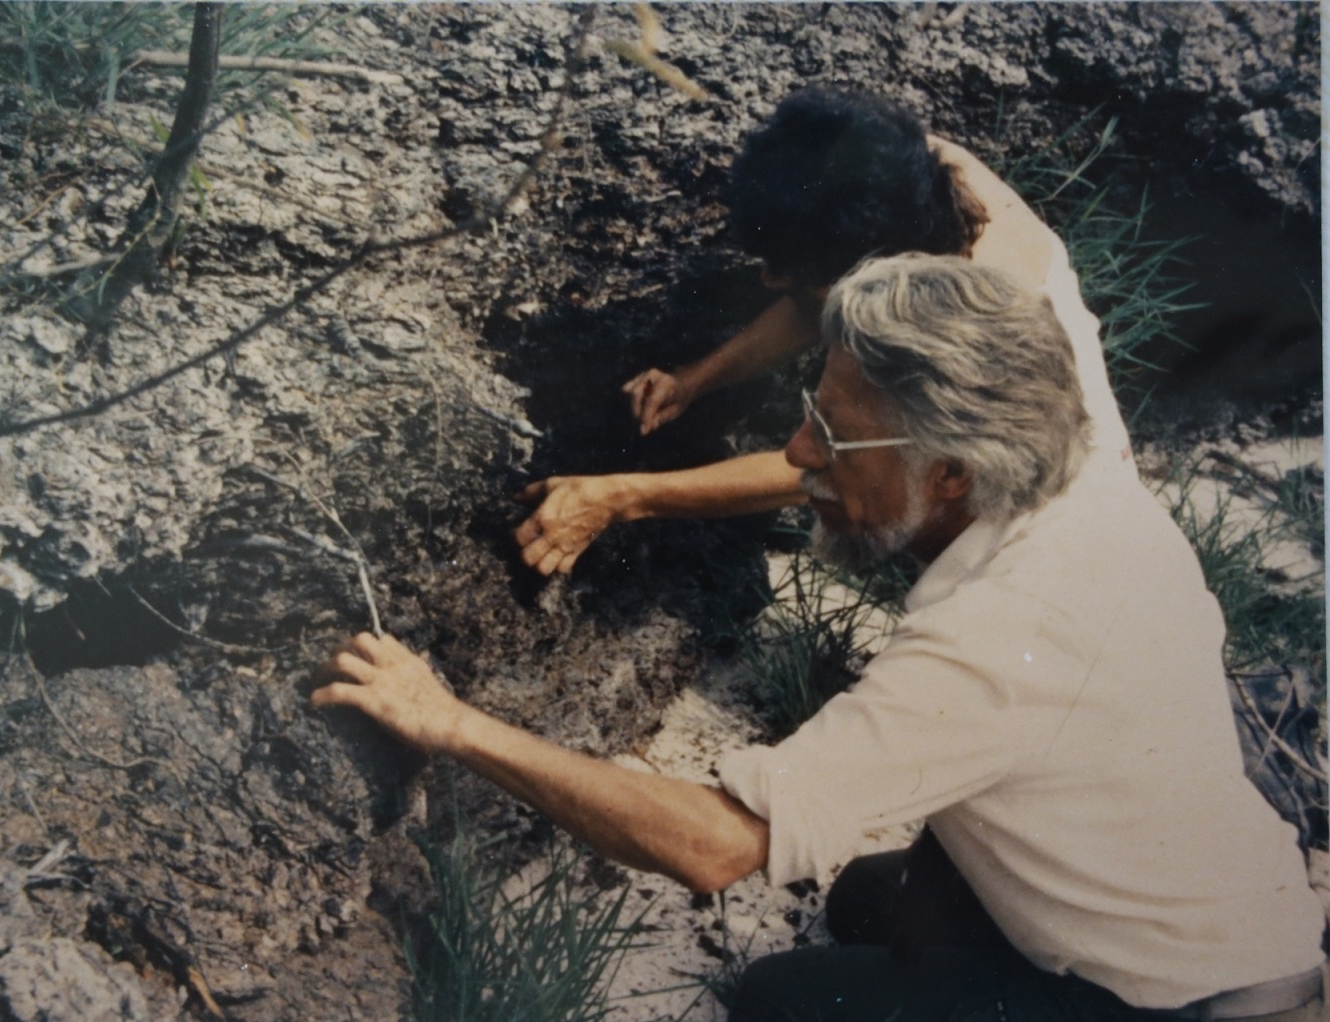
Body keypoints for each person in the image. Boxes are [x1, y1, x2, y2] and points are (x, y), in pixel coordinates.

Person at [312, 254, 1326, 1020]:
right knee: (866, 894)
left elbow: (714, 844)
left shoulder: (1001, 638)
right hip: (1221, 893)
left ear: (954, 473)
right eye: (811, 408)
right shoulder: (1078, 438)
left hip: (1187, 1000)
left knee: (784, 999)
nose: (796, 451)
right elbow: (1011, 221)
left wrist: (448, 721)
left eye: (836, 436)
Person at [514, 86, 1134, 578]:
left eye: (794, 274)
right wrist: (695, 380)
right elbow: (822, 299)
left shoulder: (971, 325)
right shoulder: (904, 174)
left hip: (1041, 520)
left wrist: (624, 496)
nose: (765, 279)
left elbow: (834, 465)